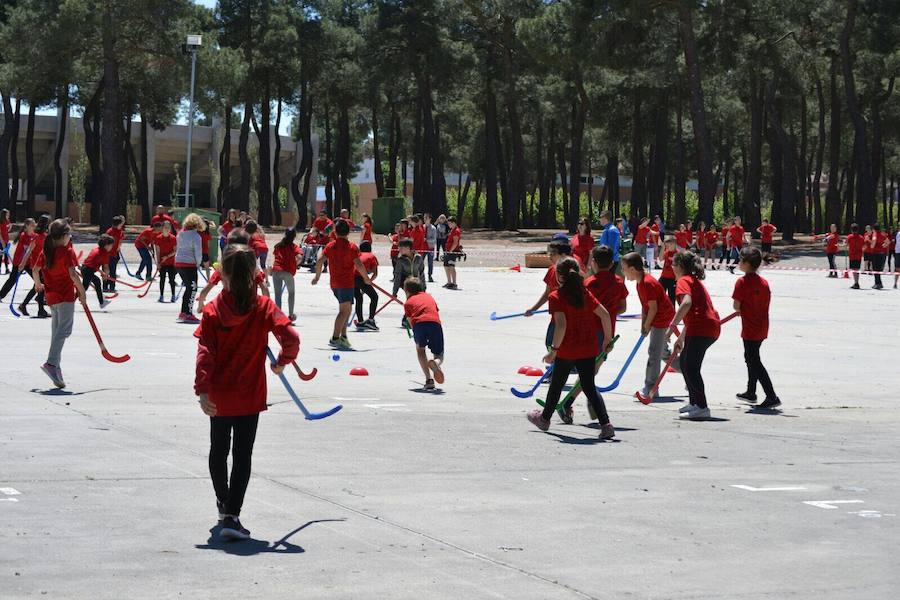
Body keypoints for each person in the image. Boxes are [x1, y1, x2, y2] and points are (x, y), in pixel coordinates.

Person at [195, 243, 300, 540]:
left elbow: (205, 352)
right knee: (242, 455)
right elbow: (291, 338)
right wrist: (283, 362)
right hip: (250, 394)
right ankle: (232, 514)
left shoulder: (214, 309)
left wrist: (203, 389)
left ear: (224, 274)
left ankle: (223, 504)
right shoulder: (264, 306)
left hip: (219, 395)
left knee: (219, 450)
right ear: (255, 272)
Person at [525, 257, 616, 440]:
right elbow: (605, 315)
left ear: (559, 276)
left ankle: (544, 419)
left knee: (557, 385)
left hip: (568, 349)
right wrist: (607, 339)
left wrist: (554, 350)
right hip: (588, 347)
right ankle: (606, 424)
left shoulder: (556, 297)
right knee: (589, 386)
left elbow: (561, 325)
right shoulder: (585, 293)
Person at [34, 219, 86, 389]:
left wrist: (38, 284)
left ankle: (56, 368)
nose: (70, 237)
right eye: (69, 234)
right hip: (64, 296)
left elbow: (35, 270)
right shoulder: (66, 251)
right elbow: (72, 274)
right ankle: (51, 363)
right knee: (64, 330)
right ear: (64, 236)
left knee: (57, 332)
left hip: (51, 297)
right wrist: (82, 292)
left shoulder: (47, 251)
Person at [670, 251, 720, 420]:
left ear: (681, 267)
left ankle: (702, 406)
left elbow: (687, 303)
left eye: (673, 265)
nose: (671, 267)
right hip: (703, 327)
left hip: (702, 328)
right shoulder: (693, 281)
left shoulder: (683, 281)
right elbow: (693, 311)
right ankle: (694, 402)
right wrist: (681, 337)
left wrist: (672, 325)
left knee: (691, 367)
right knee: (684, 362)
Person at [621, 251, 676, 401]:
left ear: (632, 269)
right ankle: (688, 369)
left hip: (661, 319)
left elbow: (653, 308)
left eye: (624, 268)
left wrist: (647, 325)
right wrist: (643, 325)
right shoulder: (640, 283)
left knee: (654, 351)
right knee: (663, 353)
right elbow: (645, 307)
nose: (623, 272)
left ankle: (651, 387)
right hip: (656, 318)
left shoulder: (647, 283)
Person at [311, 218, 371, 350]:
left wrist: (317, 277)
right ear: (348, 232)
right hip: (345, 284)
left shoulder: (330, 246)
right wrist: (366, 278)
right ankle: (335, 337)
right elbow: (359, 264)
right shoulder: (352, 247)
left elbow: (320, 261)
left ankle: (343, 336)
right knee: (344, 311)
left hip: (335, 284)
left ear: (335, 232)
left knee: (346, 309)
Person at [733, 247, 780, 410]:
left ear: (746, 264)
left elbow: (735, 306)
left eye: (740, 260)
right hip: (761, 325)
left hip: (750, 327)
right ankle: (751, 391)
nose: (739, 263)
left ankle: (771, 395)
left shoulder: (742, 282)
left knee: (753, 360)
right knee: (751, 357)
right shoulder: (763, 282)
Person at [197, 229, 270, 313]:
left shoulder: (223, 269)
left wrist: (200, 304)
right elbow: (264, 289)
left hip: (228, 310)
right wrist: (266, 308)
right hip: (248, 310)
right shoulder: (253, 270)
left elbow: (205, 290)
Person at [525, 237, 573, 348]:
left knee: (563, 349)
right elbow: (547, 293)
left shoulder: (573, 272)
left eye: (553, 254)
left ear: (563, 255)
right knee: (549, 344)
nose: (550, 256)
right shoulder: (551, 270)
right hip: (555, 318)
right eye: (549, 253)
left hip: (571, 319)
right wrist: (534, 308)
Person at [403, 277, 444, 390]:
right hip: (435, 323)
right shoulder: (429, 297)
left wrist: (416, 334)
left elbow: (411, 322)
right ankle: (436, 362)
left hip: (419, 325)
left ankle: (429, 379)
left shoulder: (408, 303)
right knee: (439, 353)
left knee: (420, 350)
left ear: (407, 291)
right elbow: (435, 311)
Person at [174, 214, 205, 323]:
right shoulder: (196, 236)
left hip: (179, 262)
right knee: (193, 288)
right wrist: (198, 263)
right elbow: (198, 252)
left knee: (188, 287)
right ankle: (188, 313)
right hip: (189, 264)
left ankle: (183, 312)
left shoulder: (180, 234)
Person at [20, 214, 51, 318]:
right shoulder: (36, 236)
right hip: (36, 267)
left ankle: (24, 305)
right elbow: (29, 250)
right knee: (40, 286)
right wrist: (23, 263)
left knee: (38, 286)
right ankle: (40, 310)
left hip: (43, 266)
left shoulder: (46, 236)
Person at [0, 217, 35, 301]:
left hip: (28, 262)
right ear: (26, 226)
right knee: (12, 280)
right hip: (19, 262)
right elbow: (27, 250)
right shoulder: (24, 235)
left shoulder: (33, 235)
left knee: (38, 280)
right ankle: (1, 295)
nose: (34, 226)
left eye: (34, 224)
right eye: (32, 225)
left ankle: (40, 297)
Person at [271, 228, 301, 321]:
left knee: (278, 294)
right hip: (287, 271)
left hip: (276, 270)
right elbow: (299, 257)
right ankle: (291, 314)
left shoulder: (278, 246)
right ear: (294, 236)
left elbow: (276, 256)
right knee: (291, 293)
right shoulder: (294, 247)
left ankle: (278, 315)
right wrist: (296, 264)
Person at [81, 234, 115, 309]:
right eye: (111, 245)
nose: (112, 247)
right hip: (88, 270)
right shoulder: (105, 253)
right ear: (106, 245)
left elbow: (93, 264)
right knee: (84, 288)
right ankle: (71, 300)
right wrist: (106, 274)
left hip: (86, 269)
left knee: (97, 282)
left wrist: (102, 273)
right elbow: (106, 266)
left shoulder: (96, 249)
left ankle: (102, 302)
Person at [355, 240, 379, 331]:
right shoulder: (371, 256)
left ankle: (360, 322)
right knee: (374, 297)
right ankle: (371, 320)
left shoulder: (357, 255)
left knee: (359, 298)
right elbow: (375, 273)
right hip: (361, 278)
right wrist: (369, 281)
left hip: (351, 278)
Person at [154, 220, 178, 303]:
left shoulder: (173, 238)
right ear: (162, 228)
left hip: (171, 262)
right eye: (165, 227)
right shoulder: (158, 238)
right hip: (162, 263)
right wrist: (158, 263)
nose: (167, 229)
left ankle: (173, 295)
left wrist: (167, 256)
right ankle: (161, 296)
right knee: (162, 279)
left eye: (169, 227)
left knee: (172, 280)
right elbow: (157, 251)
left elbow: (175, 251)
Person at [104, 215, 125, 292]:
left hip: (114, 254)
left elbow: (120, 241)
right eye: (121, 224)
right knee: (106, 271)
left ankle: (112, 286)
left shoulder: (120, 231)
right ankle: (105, 286)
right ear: (117, 224)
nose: (122, 225)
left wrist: (118, 248)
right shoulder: (110, 231)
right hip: (107, 255)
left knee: (113, 272)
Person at [844, 223, 865, 290]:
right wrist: (862, 250)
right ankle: (856, 282)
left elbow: (846, 245)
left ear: (851, 230)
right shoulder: (861, 237)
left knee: (854, 269)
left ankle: (856, 283)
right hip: (858, 255)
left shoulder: (849, 237)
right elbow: (865, 246)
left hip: (852, 255)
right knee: (857, 269)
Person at [657, 236, 678, 306]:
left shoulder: (678, 254)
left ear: (674, 244)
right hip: (663, 277)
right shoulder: (666, 252)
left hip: (673, 279)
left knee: (672, 298)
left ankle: (672, 314)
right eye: (667, 245)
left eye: (669, 245)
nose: (668, 246)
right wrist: (663, 248)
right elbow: (660, 259)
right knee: (659, 295)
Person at [443, 216, 462, 289]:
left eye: (450, 223)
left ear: (454, 223)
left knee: (451, 266)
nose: (448, 225)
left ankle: (454, 283)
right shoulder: (452, 230)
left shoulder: (456, 231)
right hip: (448, 251)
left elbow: (455, 243)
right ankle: (449, 282)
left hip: (453, 252)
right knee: (446, 266)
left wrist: (450, 251)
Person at [870, 223, 889, 289]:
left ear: (874, 229)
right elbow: (888, 242)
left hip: (875, 254)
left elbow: (874, 240)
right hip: (882, 253)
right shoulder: (882, 234)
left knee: (875, 269)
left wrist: (872, 246)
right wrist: (883, 246)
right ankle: (878, 283)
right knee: (878, 269)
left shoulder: (875, 234)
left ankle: (878, 283)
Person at [424, 213, 437, 282]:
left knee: (430, 262)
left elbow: (434, 239)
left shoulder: (433, 228)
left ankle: (430, 275)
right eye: (424, 218)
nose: (425, 219)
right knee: (420, 261)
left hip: (430, 247)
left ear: (430, 219)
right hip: (422, 248)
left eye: (426, 218)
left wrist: (427, 240)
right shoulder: (422, 227)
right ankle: (420, 274)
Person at [0, 209, 10, 274]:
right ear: (4, 215)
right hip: (1, 241)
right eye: (7, 214)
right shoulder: (0, 222)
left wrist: (9, 227)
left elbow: (7, 230)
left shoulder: (7, 221)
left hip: (6, 240)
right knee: (0, 255)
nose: (8, 215)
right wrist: (2, 242)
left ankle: (7, 269)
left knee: (6, 255)